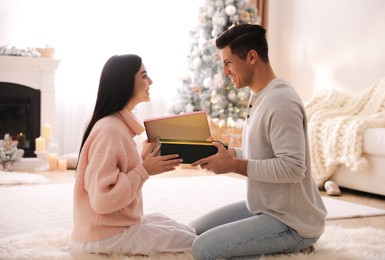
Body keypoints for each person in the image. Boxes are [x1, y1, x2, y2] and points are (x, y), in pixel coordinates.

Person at [190, 24, 327, 259]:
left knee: (204, 249)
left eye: (228, 63)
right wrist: (231, 153)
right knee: (192, 232)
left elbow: (293, 168)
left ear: (251, 57)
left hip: (293, 222)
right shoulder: (260, 96)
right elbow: (263, 154)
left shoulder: (281, 101)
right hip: (263, 208)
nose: (225, 72)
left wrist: (233, 166)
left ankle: (290, 247)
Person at [70, 54, 197, 256]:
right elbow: (102, 199)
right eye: (144, 75)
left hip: (111, 227)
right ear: (125, 83)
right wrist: (143, 170)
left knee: (185, 230)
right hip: (105, 236)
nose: (151, 81)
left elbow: (118, 174)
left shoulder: (115, 125)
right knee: (196, 243)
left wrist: (142, 160)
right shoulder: (110, 130)